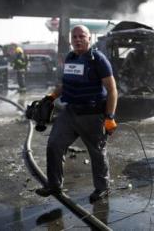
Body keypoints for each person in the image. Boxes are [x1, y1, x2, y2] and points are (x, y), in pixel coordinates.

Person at [35, 25, 118, 203]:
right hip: (70, 112)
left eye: (82, 36)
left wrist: (110, 117)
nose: (78, 40)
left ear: (89, 39)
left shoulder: (98, 59)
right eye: (75, 37)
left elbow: (112, 90)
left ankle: (102, 188)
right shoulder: (70, 57)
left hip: (93, 114)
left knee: (97, 152)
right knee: (54, 144)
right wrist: (52, 96)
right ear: (71, 40)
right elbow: (67, 85)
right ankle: (54, 184)